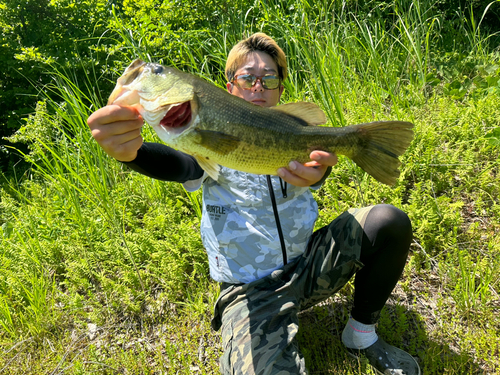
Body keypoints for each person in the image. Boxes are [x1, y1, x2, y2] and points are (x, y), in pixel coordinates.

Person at [87, 33, 421, 375]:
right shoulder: (199, 135)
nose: (258, 86)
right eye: (247, 77)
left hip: (307, 265)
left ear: (280, 89)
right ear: (230, 86)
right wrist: (133, 154)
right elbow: (181, 165)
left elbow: (315, 168)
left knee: (387, 222)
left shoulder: (289, 129)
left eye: (269, 78)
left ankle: (361, 334)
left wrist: (319, 175)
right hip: (250, 293)